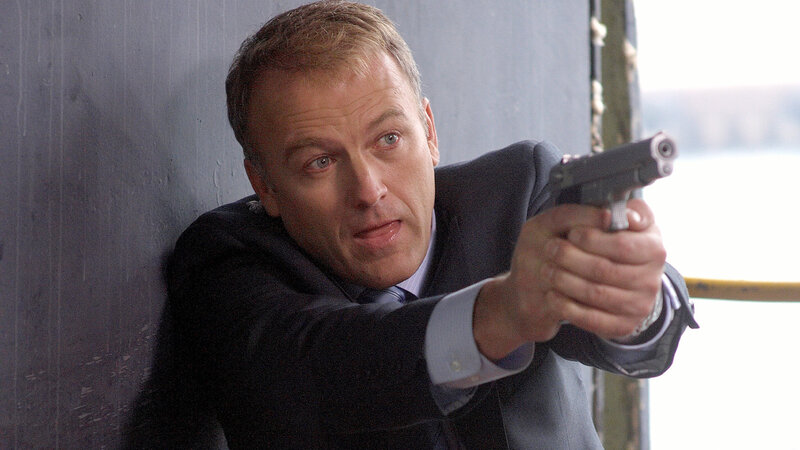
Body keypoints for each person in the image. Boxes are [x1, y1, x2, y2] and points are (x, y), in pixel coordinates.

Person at [166, 1, 698, 448]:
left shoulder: (519, 189)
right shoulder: (226, 259)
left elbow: (642, 336)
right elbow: (323, 369)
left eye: (388, 139)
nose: (368, 190)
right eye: (319, 162)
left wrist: (634, 299)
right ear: (264, 186)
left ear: (429, 131)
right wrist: (503, 311)